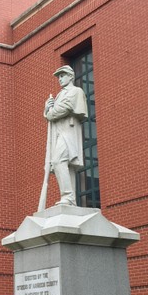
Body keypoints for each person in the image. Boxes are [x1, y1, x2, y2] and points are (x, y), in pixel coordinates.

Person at [38, 65, 88, 210]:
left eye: (62, 75)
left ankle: (67, 196)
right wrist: (47, 108)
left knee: (58, 161)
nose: (60, 79)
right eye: (59, 76)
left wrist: (49, 112)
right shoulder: (60, 94)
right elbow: (52, 113)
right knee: (65, 164)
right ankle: (70, 199)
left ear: (71, 76)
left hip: (68, 132)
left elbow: (64, 109)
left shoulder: (75, 91)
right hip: (60, 132)